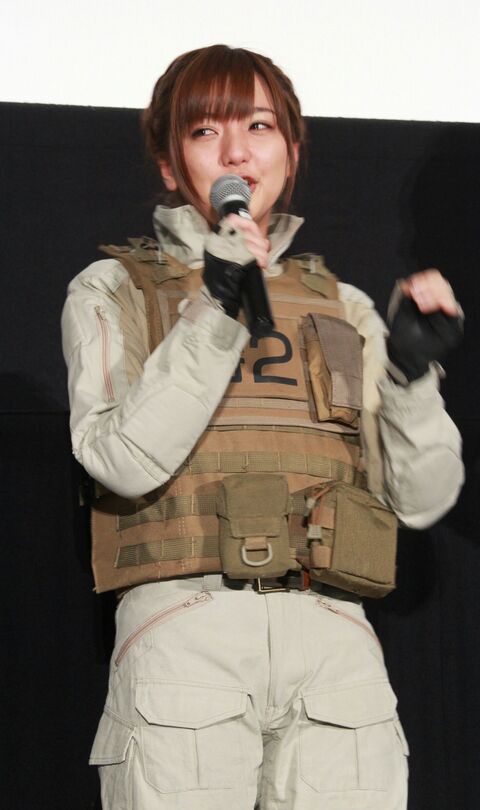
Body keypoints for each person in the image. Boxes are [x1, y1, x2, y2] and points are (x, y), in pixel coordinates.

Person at [61, 44, 464, 810]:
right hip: (186, 635)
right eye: (205, 131)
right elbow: (120, 461)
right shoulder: (114, 287)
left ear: (292, 151)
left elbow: (421, 500)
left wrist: (413, 378)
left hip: (333, 638)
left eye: (258, 126)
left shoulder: (342, 306)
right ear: (169, 165)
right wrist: (216, 303)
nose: (237, 152)